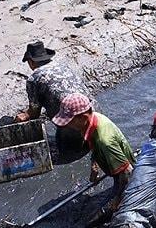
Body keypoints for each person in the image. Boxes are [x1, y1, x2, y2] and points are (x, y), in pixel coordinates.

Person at [52, 93, 136, 228]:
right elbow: (93, 143)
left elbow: (127, 173)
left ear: (82, 117)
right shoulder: (92, 120)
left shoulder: (105, 141)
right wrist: (95, 166)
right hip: (113, 162)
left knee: (101, 216)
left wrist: (118, 199)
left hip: (125, 174)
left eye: (69, 121)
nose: (67, 126)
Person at [15, 40, 92, 151]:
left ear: (31, 62)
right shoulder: (63, 66)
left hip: (74, 124)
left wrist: (25, 115)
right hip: (94, 114)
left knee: (65, 151)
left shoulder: (34, 78)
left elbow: (34, 113)